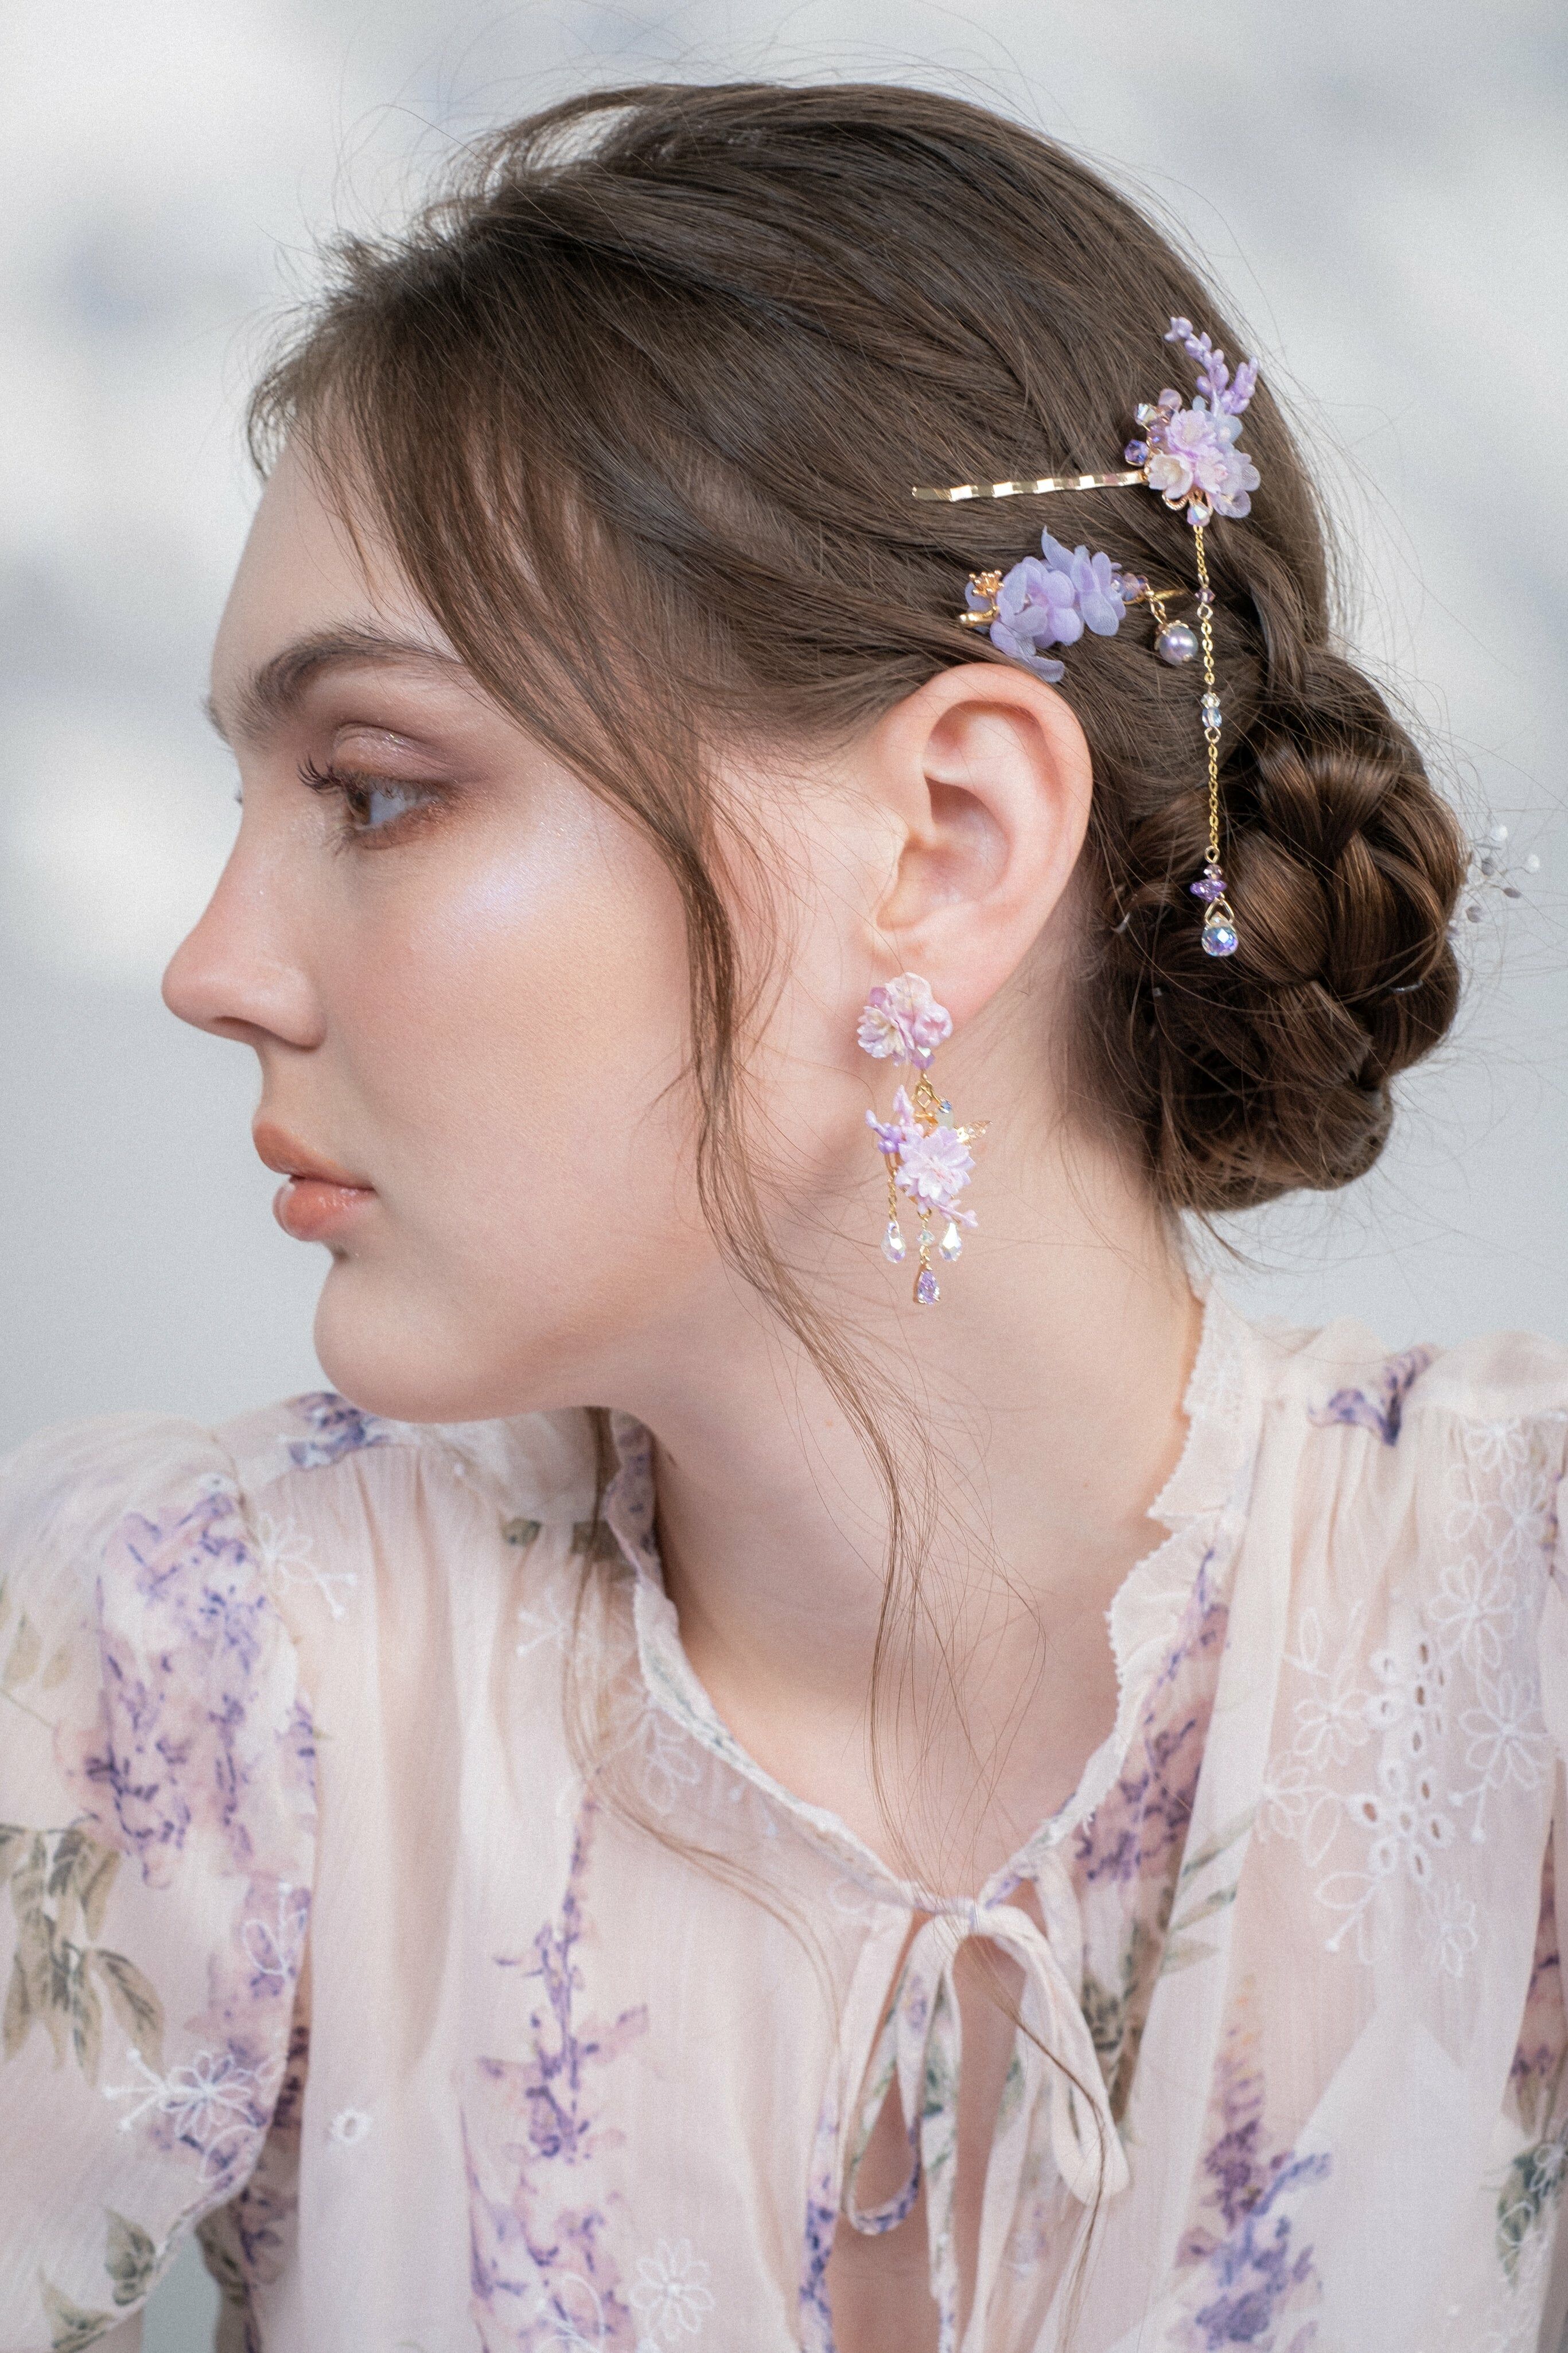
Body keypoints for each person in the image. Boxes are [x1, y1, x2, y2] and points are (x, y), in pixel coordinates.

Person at [1, 77, 1563, 2353]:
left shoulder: (1522, 1642)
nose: (214, 964)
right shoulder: (202, 1670)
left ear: (945, 844)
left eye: (376, 790)